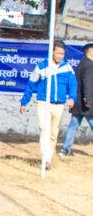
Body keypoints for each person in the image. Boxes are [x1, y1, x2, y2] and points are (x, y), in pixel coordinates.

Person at [20, 39, 77, 167]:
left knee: (53, 134)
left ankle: (49, 159)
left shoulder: (67, 67)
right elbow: (31, 84)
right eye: (58, 53)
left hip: (59, 105)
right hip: (44, 104)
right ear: (52, 52)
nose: (60, 56)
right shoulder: (42, 66)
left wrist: (72, 98)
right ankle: (45, 158)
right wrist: (24, 102)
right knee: (44, 129)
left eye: (62, 54)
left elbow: (73, 85)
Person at [60, 42, 93, 156]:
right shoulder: (90, 65)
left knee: (73, 126)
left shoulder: (82, 63)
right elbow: (87, 84)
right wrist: (88, 101)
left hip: (78, 103)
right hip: (87, 104)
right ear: (91, 52)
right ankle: (65, 149)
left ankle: (65, 150)